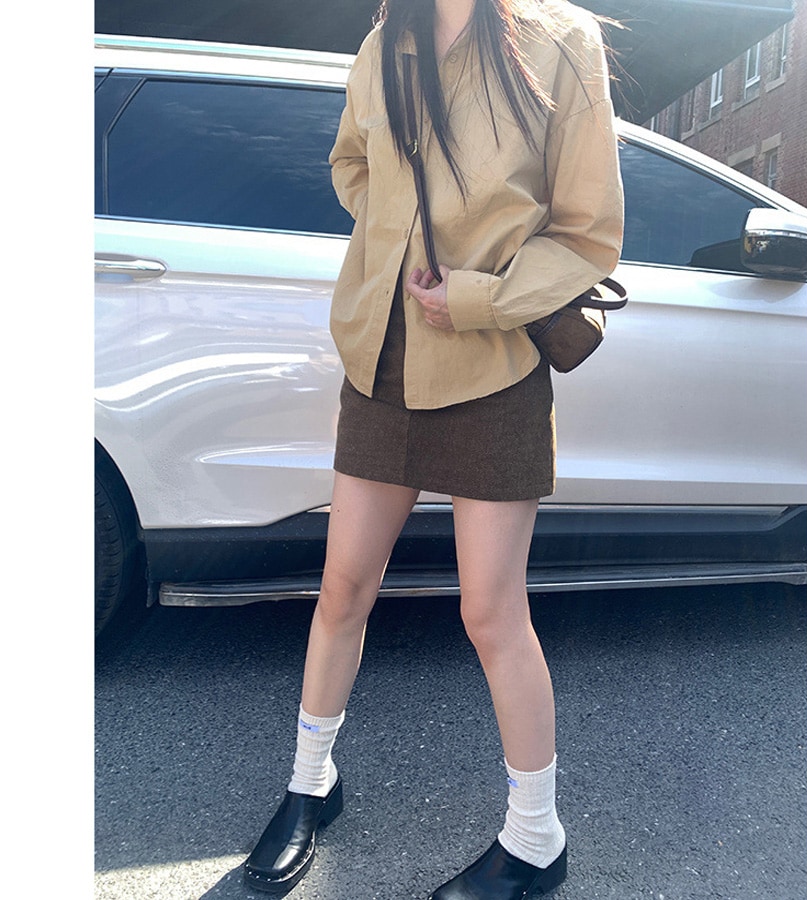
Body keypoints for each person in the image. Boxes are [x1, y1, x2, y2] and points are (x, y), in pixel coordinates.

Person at [242, 0, 623, 896]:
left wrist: (480, 295)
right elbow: (351, 162)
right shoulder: (385, 41)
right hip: (380, 357)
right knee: (342, 587)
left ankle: (536, 840)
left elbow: (589, 231)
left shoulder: (561, 41)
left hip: (494, 362)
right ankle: (311, 783)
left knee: (491, 613)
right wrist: (394, 238)